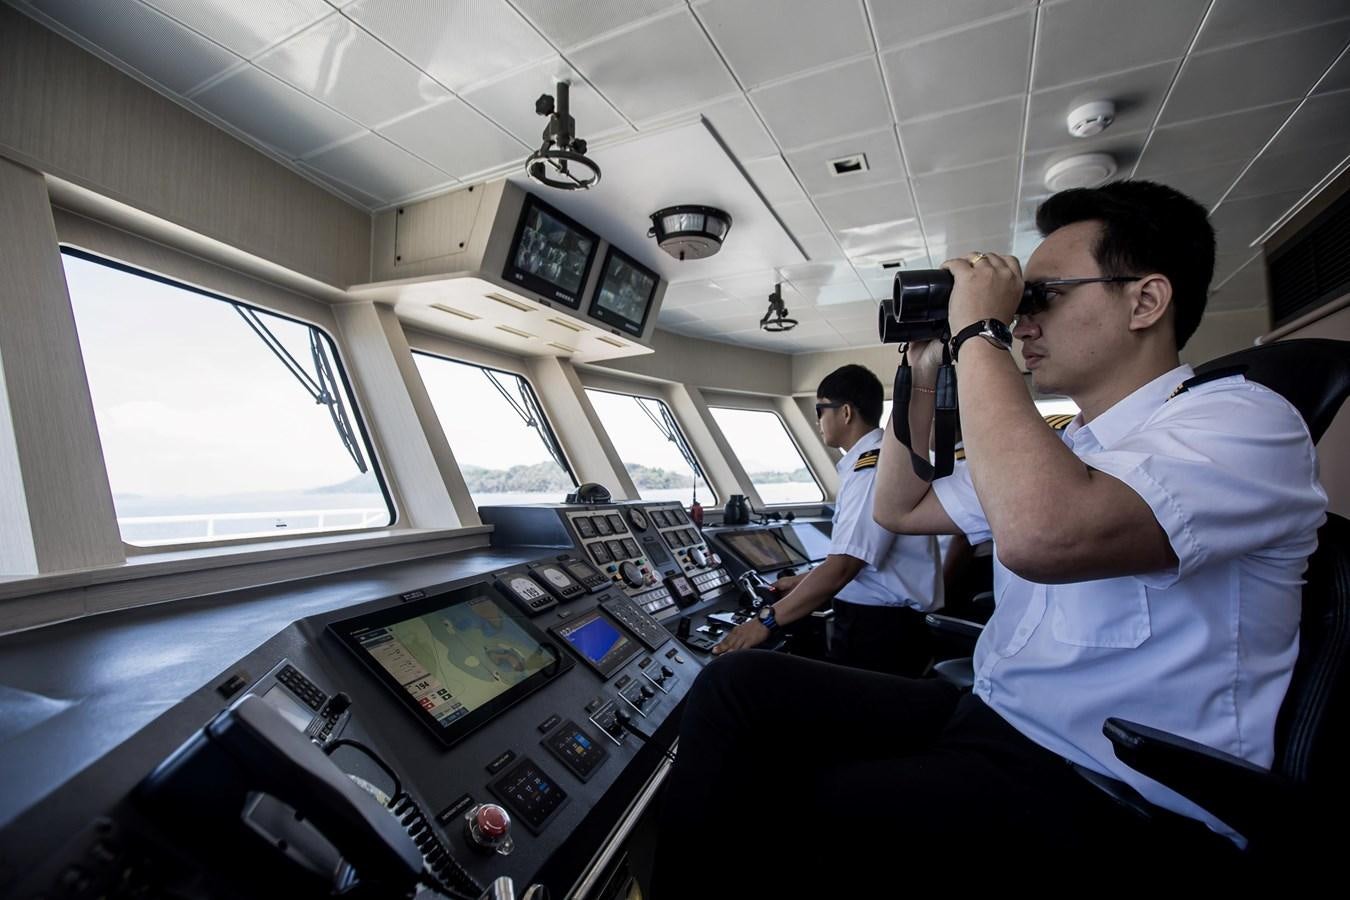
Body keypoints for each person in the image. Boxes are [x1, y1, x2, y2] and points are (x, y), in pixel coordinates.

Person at [650, 180, 1326, 896]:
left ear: (1146, 301)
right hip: (997, 716)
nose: (1023, 323)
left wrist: (980, 334)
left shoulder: (1244, 421)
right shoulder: (1070, 445)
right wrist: (917, 377)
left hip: (1107, 785)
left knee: (796, 814)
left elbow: (1044, 535)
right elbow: (901, 509)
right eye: (1018, 305)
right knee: (736, 688)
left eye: (1044, 298)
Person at [712, 364, 942, 676]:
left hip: (880, 632)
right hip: (881, 624)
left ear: (845, 412)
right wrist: (800, 581)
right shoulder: (874, 462)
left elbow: (844, 567)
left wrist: (766, 620)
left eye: (820, 409)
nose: (817, 420)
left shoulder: (871, 469)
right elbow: (854, 562)